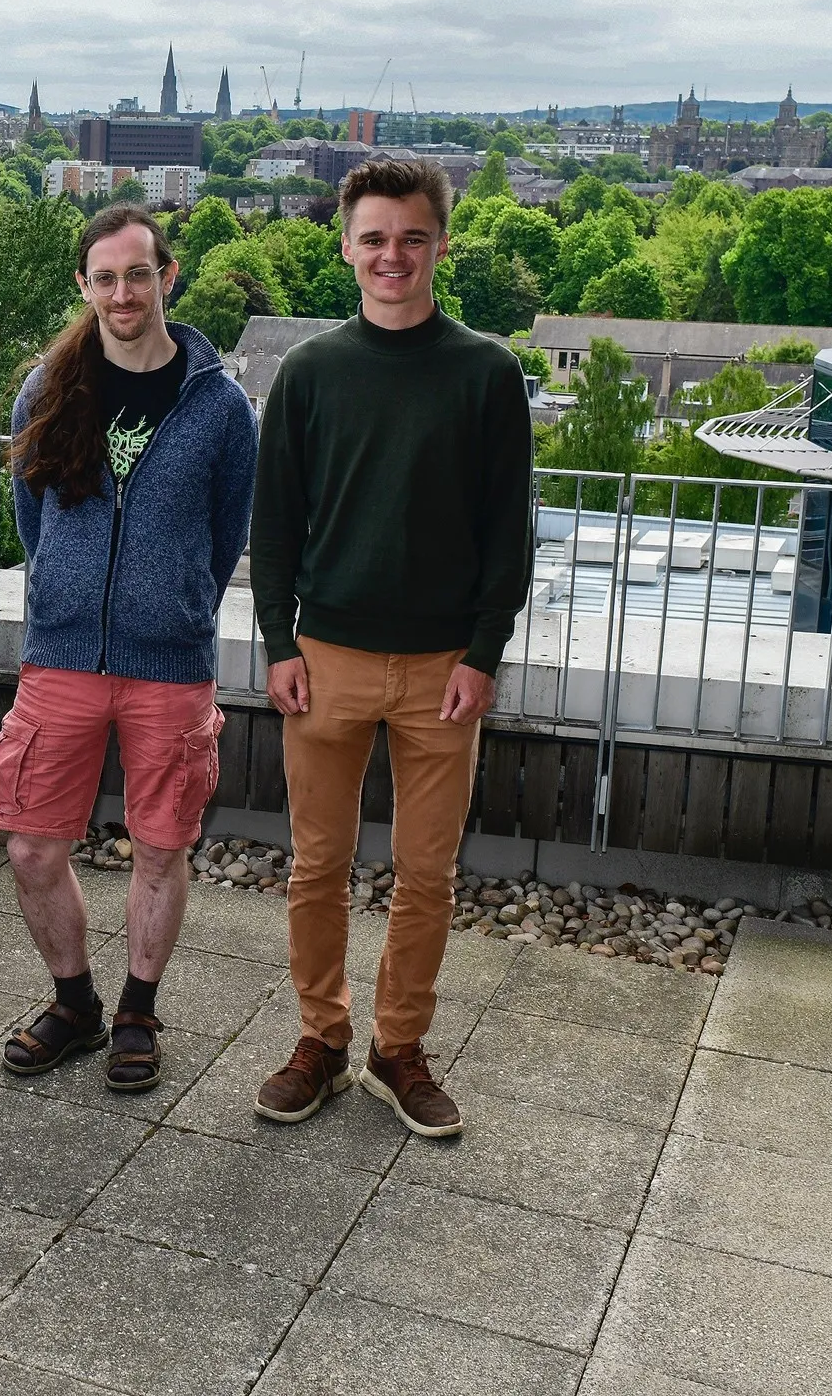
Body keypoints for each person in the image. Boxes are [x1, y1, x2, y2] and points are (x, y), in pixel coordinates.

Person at [250, 157, 533, 1138]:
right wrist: (277, 641)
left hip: (442, 668)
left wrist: (483, 653)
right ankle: (320, 1040)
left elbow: (507, 529)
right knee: (315, 867)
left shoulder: (485, 372)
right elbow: (273, 522)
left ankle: (396, 1048)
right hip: (323, 656)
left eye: (411, 237)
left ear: (440, 245)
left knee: (425, 876)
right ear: (345, 248)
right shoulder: (310, 370)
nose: (391, 255)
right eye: (373, 237)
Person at [0, 204, 255, 1092]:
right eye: (104, 277)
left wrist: (170, 602)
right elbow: (32, 519)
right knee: (31, 845)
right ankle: (75, 1003)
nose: (122, 292)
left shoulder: (218, 406)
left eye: (138, 273)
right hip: (61, 655)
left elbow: (226, 533)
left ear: (167, 276)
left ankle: (138, 1009)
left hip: (167, 663)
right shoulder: (47, 390)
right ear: (84, 285)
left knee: (160, 846)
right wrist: (68, 594)